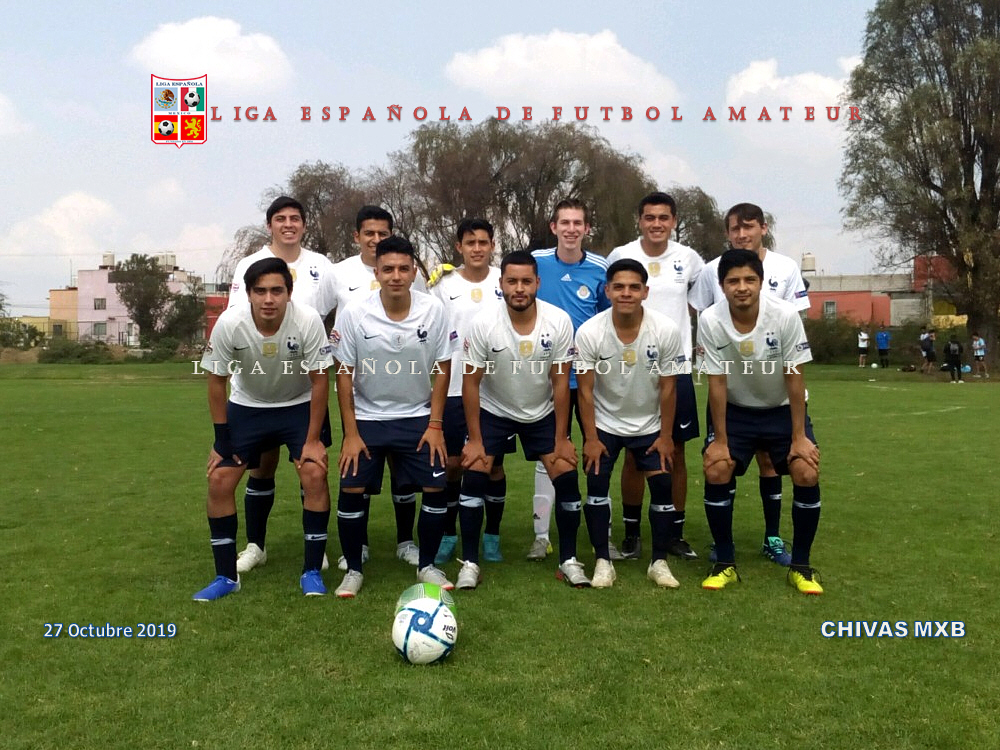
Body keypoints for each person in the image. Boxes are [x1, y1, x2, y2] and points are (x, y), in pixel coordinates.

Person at [194, 257, 334, 601]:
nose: (268, 299)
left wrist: (313, 440)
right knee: (219, 479)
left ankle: (312, 571)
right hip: (248, 407)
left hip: (298, 405)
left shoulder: (307, 320)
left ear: (289, 292)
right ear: (249, 294)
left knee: (314, 473)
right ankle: (226, 577)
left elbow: (320, 380)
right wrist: (222, 440)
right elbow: (216, 381)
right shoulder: (230, 323)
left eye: (276, 290)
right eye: (260, 291)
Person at [330, 236, 453, 598]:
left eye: (403, 269)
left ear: (414, 272)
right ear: (377, 273)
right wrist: (351, 433)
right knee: (352, 487)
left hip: (418, 417)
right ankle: (354, 569)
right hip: (367, 419)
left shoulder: (433, 310)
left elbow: (443, 368)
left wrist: (435, 425)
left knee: (435, 486)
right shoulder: (355, 313)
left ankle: (426, 565)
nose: (396, 276)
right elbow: (343, 373)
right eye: (388, 269)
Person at [690, 203, 810, 567]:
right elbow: (703, 316)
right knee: (719, 464)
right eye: (735, 228)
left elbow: (794, 363)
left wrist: (799, 434)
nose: (742, 233)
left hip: (775, 390)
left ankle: (776, 540)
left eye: (749, 226)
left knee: (784, 464)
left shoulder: (785, 275)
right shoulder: (712, 278)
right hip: (735, 392)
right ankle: (723, 551)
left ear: (763, 228)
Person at [459, 250, 588, 588]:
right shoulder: (483, 323)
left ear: (537, 283)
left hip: (541, 412)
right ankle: (470, 563)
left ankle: (568, 560)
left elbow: (560, 381)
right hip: (495, 410)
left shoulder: (558, 320)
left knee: (566, 474)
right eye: (512, 281)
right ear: (501, 284)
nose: (519, 288)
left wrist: (562, 438)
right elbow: (470, 382)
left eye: (526, 281)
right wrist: (475, 440)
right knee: (475, 472)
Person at [225, 196, 337, 576]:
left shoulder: (321, 266)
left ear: (304, 224)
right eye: (280, 218)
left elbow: (337, 308)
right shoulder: (249, 264)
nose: (288, 224)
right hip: (257, 390)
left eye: (295, 218)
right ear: (269, 225)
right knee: (261, 469)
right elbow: (235, 320)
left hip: (302, 391)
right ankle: (255, 546)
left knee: (311, 468)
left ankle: (315, 548)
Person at [322, 206, 428, 569]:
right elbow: (320, 315)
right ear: (357, 236)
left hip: (408, 395)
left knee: (404, 475)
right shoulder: (339, 273)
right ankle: (359, 546)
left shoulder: (412, 278)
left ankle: (406, 542)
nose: (376, 239)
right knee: (359, 473)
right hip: (360, 394)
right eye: (369, 233)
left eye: (383, 233)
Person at [606, 192, 704, 561]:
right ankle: (632, 534)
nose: (656, 224)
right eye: (650, 217)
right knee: (634, 453)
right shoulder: (621, 254)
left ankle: (674, 533)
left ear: (674, 221)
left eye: (664, 217)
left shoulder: (689, 259)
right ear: (640, 220)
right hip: (629, 367)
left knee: (675, 452)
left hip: (675, 367)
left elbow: (700, 304)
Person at [575, 259, 685, 588]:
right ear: (608, 290)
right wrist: (590, 438)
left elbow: (669, 387)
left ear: (645, 292)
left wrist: (666, 436)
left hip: (650, 425)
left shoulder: (665, 330)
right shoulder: (590, 331)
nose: (626, 293)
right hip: (605, 424)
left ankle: (659, 562)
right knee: (596, 486)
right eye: (619, 287)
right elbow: (585, 390)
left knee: (662, 488)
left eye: (634, 287)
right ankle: (603, 562)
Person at [528, 198, 610, 561]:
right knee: (548, 454)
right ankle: (541, 536)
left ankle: (602, 534)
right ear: (554, 227)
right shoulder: (537, 262)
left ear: (587, 228)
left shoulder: (599, 268)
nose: (571, 229)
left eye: (578, 223)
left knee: (597, 451)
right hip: (545, 378)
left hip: (589, 379)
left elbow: (608, 321)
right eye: (565, 222)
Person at [429, 219, 507, 566]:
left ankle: (492, 536)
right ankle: (448, 534)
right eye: (470, 242)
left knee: (492, 465)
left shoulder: (505, 281)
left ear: (493, 246)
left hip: (496, 389)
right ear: (458, 247)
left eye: (483, 242)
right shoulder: (443, 284)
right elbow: (430, 328)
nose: (477, 248)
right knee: (452, 465)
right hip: (453, 387)